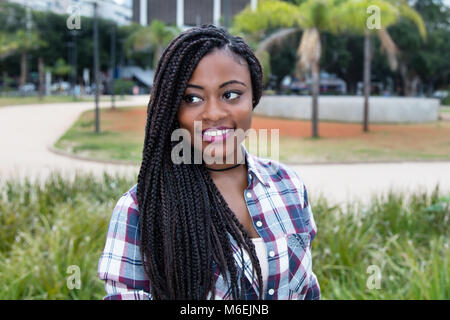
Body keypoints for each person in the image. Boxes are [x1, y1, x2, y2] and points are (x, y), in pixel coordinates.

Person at [98, 24, 320, 300]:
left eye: (230, 94)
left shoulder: (288, 185)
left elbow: (307, 290)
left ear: (253, 98)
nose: (213, 113)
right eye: (192, 98)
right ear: (172, 109)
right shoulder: (140, 210)